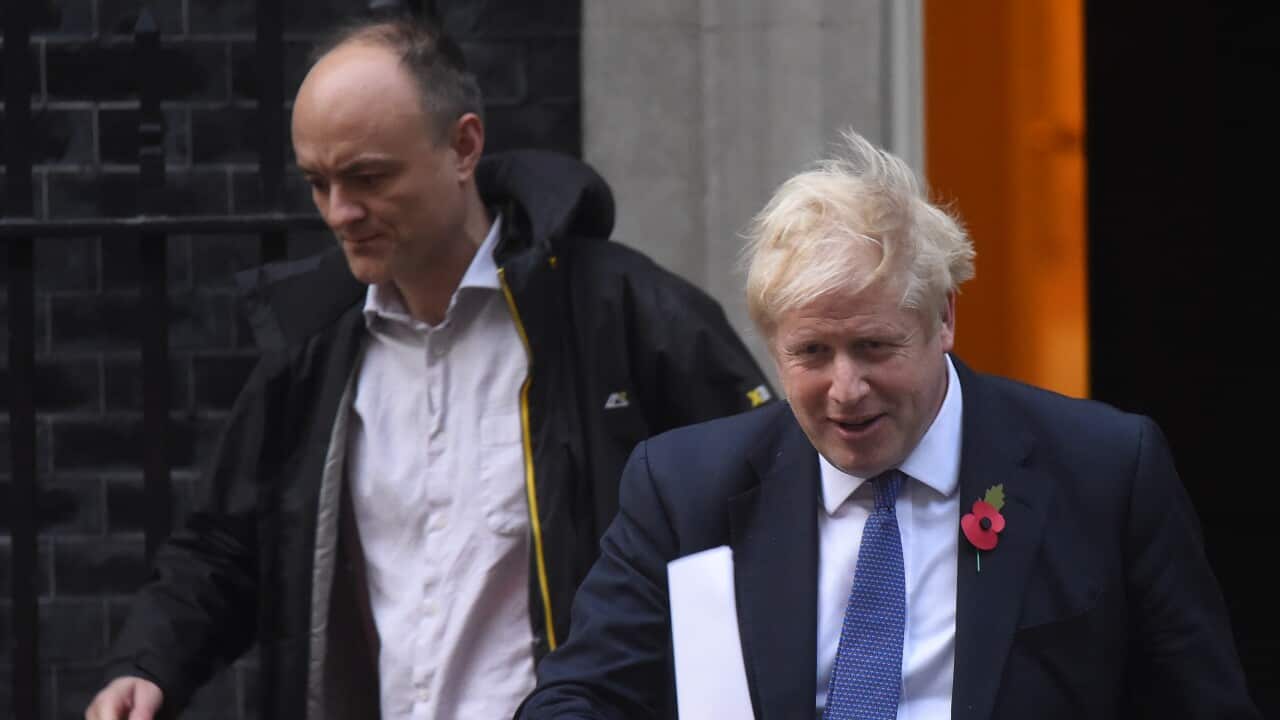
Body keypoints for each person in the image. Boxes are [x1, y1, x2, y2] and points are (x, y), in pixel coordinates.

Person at [85, 15, 772, 720]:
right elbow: (228, 547)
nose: (339, 212)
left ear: (463, 145)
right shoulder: (313, 346)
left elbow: (771, 522)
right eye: (317, 183)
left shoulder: (627, 315)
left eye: (367, 177)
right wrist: (148, 665)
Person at [516, 130, 1261, 719]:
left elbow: (1201, 702)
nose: (846, 390)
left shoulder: (1104, 470)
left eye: (874, 347)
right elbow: (582, 696)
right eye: (811, 353)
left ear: (942, 320)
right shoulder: (683, 490)